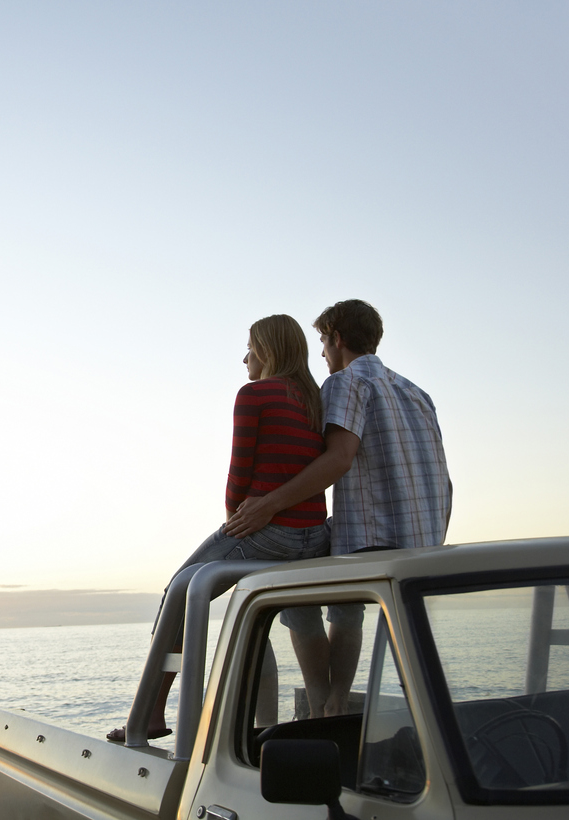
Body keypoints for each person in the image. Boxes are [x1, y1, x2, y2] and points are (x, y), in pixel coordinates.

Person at [224, 299, 452, 718]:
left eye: (324, 343)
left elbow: (339, 459)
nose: (323, 354)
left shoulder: (345, 383)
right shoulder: (417, 393)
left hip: (370, 541)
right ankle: (335, 702)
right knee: (343, 601)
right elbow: (445, 479)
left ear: (337, 339)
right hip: (426, 545)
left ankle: (325, 704)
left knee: (301, 588)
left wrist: (268, 506)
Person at [107, 314, 330, 742]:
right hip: (313, 535)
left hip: (270, 530)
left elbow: (239, 474)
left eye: (250, 347)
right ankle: (323, 715)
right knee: (303, 616)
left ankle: (151, 714)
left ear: (266, 350)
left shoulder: (254, 394)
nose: (245, 357)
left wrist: (233, 523)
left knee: (180, 590)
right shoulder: (315, 399)